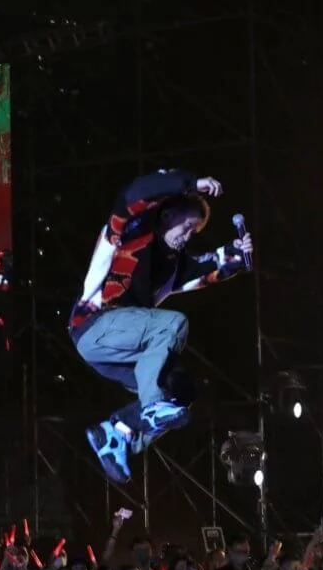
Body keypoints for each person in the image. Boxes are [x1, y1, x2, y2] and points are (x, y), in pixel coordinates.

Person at [69, 170, 253, 484]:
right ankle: (151, 406)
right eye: (187, 226)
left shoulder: (173, 266)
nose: (188, 236)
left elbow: (206, 268)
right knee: (173, 324)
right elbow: (135, 192)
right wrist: (190, 184)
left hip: (118, 351)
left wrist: (236, 254)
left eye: (194, 231)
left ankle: (117, 434)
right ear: (167, 215)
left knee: (179, 390)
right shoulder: (131, 231)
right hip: (94, 325)